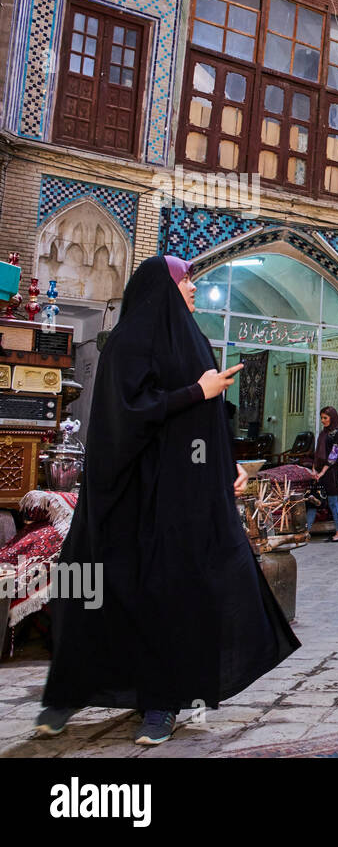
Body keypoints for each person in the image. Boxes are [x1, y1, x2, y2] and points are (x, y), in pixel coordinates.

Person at [36, 255, 299, 744]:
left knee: (173, 592)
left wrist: (227, 466)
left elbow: (212, 414)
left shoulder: (193, 339)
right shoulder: (129, 343)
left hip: (180, 498)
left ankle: (163, 701)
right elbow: (128, 413)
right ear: (162, 286)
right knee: (97, 587)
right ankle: (68, 692)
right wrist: (194, 392)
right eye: (186, 279)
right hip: (127, 494)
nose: (194, 288)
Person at [308, 406, 338, 543]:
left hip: (331, 473)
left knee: (333, 503)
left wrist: (322, 472)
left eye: (325, 418)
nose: (323, 420)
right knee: (312, 502)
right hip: (318, 473)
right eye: (321, 418)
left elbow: (334, 455)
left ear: (332, 418)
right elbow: (317, 454)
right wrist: (314, 470)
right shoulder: (323, 433)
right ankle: (306, 532)